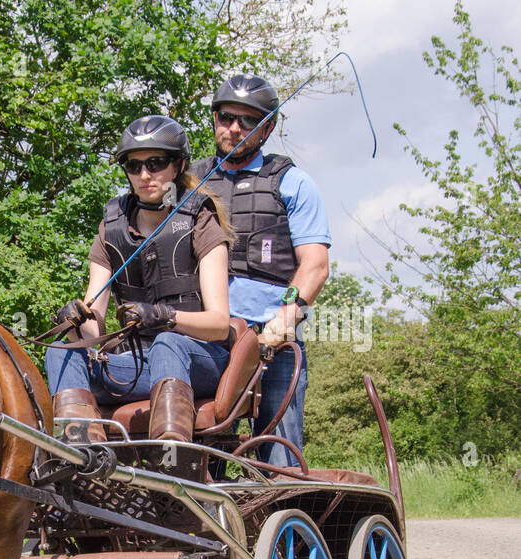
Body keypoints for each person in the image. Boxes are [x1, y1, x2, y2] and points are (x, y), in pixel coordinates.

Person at [46, 115, 234, 445]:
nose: (144, 175)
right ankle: (82, 457)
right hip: (132, 366)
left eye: (156, 163)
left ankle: (173, 459)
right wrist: (76, 321)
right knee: (62, 349)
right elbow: (95, 327)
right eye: (134, 166)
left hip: (195, 360)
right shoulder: (112, 226)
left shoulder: (200, 220)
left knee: (167, 343)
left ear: (178, 166)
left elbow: (220, 325)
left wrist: (166, 318)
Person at [192, 73, 331, 469]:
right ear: (215, 118)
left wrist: (284, 319)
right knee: (199, 452)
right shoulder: (189, 184)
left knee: (277, 452)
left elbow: (315, 266)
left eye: (248, 120)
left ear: (267, 127)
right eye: (226, 117)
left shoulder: (294, 183)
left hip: (274, 340)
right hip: (210, 338)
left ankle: (284, 512)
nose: (234, 127)